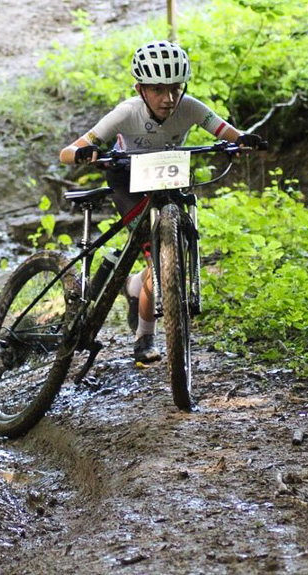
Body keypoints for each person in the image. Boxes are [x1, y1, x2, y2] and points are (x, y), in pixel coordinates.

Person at [59, 40, 263, 363]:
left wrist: (241, 142)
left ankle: (133, 286)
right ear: (140, 89)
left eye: (175, 89)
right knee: (157, 257)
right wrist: (86, 153)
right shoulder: (126, 113)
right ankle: (144, 337)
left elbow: (226, 131)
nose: (168, 99)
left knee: (168, 258)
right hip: (127, 180)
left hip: (166, 178)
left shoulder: (189, 107)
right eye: (158, 90)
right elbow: (67, 152)